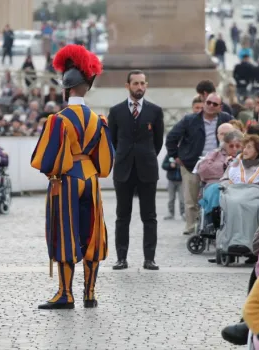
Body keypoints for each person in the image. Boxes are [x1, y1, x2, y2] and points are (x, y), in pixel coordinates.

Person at [31, 44, 114, 309]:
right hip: (90, 178)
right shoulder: (98, 120)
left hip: (65, 179)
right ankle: (90, 293)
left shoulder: (59, 119)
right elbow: (105, 162)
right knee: (92, 233)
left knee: (64, 233)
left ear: (66, 88)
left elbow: (46, 161)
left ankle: (65, 293)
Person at [108, 70, 164, 271]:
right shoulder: (116, 112)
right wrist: (124, 156)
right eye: (136, 83)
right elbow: (112, 140)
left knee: (149, 216)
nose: (140, 87)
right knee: (122, 216)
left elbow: (158, 141)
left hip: (147, 170)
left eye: (142, 83)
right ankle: (121, 258)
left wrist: (146, 156)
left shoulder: (155, 111)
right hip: (123, 169)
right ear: (128, 86)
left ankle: (149, 258)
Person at [166, 93, 233, 235]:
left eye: (215, 104)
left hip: (219, 165)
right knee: (191, 198)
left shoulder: (226, 119)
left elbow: (238, 135)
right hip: (192, 164)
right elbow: (171, 137)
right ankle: (192, 228)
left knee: (218, 195)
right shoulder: (189, 120)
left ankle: (215, 227)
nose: (210, 106)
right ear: (204, 102)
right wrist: (176, 157)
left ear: (220, 107)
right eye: (208, 102)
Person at [161, 155, 184, 221]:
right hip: (171, 180)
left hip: (181, 181)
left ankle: (183, 213)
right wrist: (170, 165)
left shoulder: (183, 153)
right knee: (171, 198)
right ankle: (171, 213)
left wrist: (180, 165)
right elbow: (163, 165)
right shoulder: (169, 155)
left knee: (182, 199)